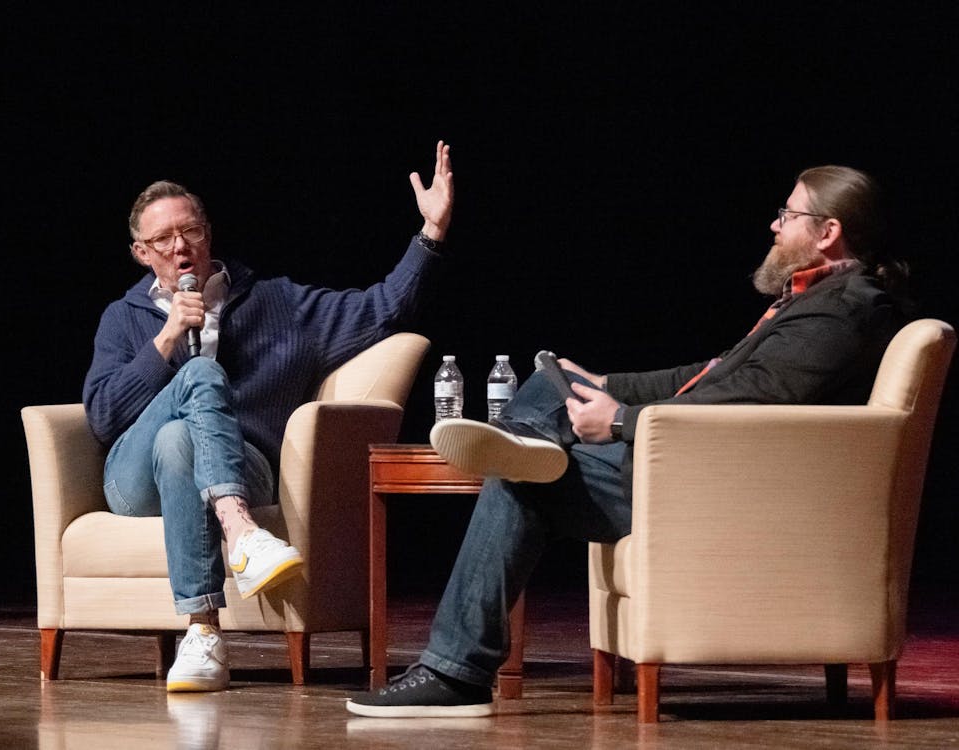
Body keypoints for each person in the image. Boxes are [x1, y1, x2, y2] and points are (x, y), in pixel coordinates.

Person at [345, 165, 909, 718]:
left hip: (717, 489)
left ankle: (455, 672)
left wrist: (621, 421)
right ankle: (527, 443)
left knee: (523, 482)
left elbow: (753, 404)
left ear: (828, 231)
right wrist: (604, 384)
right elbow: (708, 375)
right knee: (548, 384)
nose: (775, 225)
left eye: (787, 213)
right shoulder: (816, 301)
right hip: (702, 467)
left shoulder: (842, 313)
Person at [83, 140, 454, 693]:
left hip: (244, 464)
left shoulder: (279, 303)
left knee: (182, 441)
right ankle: (242, 532)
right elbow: (104, 416)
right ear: (142, 252)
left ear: (208, 233)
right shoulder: (123, 318)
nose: (180, 246)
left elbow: (384, 307)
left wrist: (432, 234)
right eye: (163, 239)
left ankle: (204, 634)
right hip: (134, 479)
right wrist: (165, 341)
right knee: (199, 379)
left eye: (190, 231)